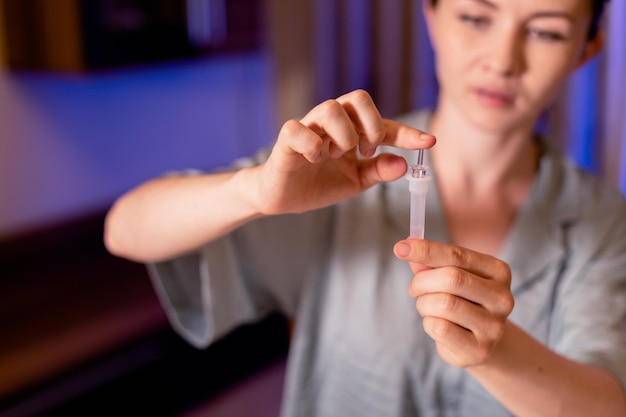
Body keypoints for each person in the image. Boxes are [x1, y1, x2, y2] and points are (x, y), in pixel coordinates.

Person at [104, 0, 626, 415]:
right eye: (475, 16)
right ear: (432, 15)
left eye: (547, 31)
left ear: (587, 47)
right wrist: (255, 192)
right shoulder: (340, 166)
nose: (502, 60)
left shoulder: (601, 221)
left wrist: (497, 353)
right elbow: (124, 229)